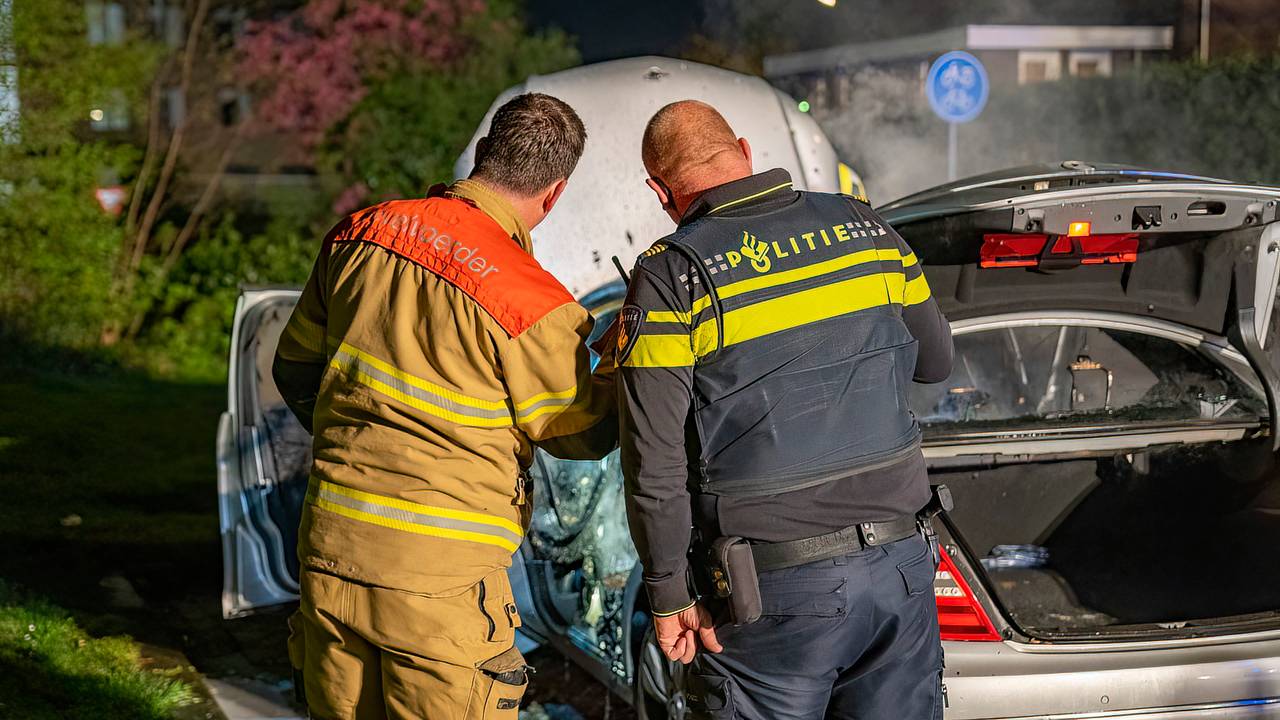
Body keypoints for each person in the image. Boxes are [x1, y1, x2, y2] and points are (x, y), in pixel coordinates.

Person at [272, 92, 616, 720]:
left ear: (483, 154)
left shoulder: (359, 234)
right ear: (555, 192)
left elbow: (294, 368)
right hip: (442, 584)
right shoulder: (533, 303)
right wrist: (622, 365)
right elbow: (582, 435)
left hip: (331, 553)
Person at [617, 100, 954, 719]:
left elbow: (654, 460)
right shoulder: (866, 228)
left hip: (770, 596)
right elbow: (934, 361)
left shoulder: (673, 276)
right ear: (744, 151)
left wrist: (668, 596)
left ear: (659, 190)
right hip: (900, 569)